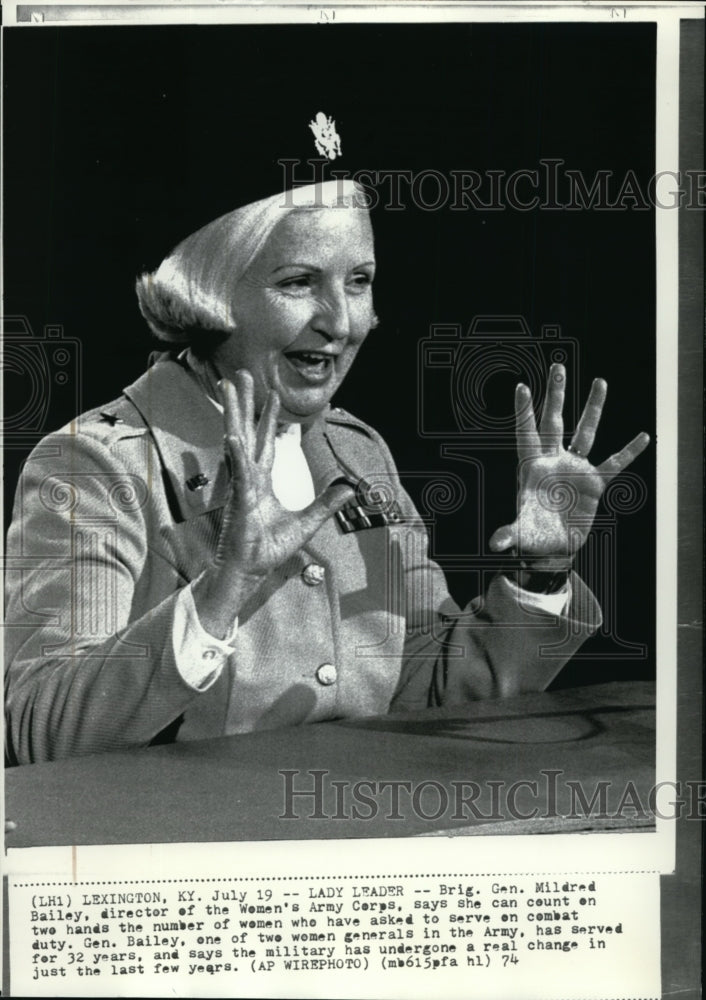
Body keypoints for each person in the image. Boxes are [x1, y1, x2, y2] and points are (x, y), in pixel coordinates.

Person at [4, 180, 649, 765]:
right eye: (298, 283)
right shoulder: (94, 466)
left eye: (360, 281)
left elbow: (430, 689)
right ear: (208, 293)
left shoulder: (357, 454)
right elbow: (39, 729)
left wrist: (542, 575)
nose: (340, 323)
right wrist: (223, 587)